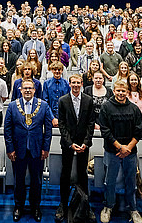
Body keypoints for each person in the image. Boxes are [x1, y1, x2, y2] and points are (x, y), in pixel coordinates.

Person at [4, 79, 53, 222]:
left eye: (30, 88)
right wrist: (10, 148)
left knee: (36, 181)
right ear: (20, 90)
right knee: (18, 180)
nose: (27, 90)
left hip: (37, 150)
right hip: (18, 150)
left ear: (34, 90)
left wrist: (46, 148)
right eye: (25, 88)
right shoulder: (13, 106)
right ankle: (18, 206)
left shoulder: (43, 106)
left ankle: (35, 207)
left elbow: (48, 130)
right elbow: (7, 129)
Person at [99, 80, 142, 223]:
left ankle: (132, 208)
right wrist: (120, 147)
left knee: (131, 181)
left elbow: (139, 131)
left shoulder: (134, 109)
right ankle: (108, 206)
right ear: (113, 91)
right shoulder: (106, 107)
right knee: (109, 181)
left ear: (127, 92)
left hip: (130, 152)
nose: (120, 93)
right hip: (112, 151)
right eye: (118, 90)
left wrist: (128, 148)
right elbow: (105, 130)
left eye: (123, 91)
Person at [55, 74, 95, 221]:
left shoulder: (88, 100)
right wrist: (70, 143)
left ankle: (85, 204)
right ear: (69, 84)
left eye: (78, 82)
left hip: (84, 144)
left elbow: (91, 123)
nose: (76, 85)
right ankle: (63, 204)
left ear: (82, 83)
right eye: (73, 83)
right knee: (65, 174)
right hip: (68, 144)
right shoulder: (63, 101)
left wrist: (85, 142)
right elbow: (62, 124)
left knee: (82, 175)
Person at [42, 61, 70, 126]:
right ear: (52, 70)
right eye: (55, 69)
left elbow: (68, 102)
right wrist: (52, 118)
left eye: (59, 69)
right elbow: (45, 102)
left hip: (64, 117)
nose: (57, 71)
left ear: (62, 70)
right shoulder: (47, 83)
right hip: (50, 117)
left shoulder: (66, 84)